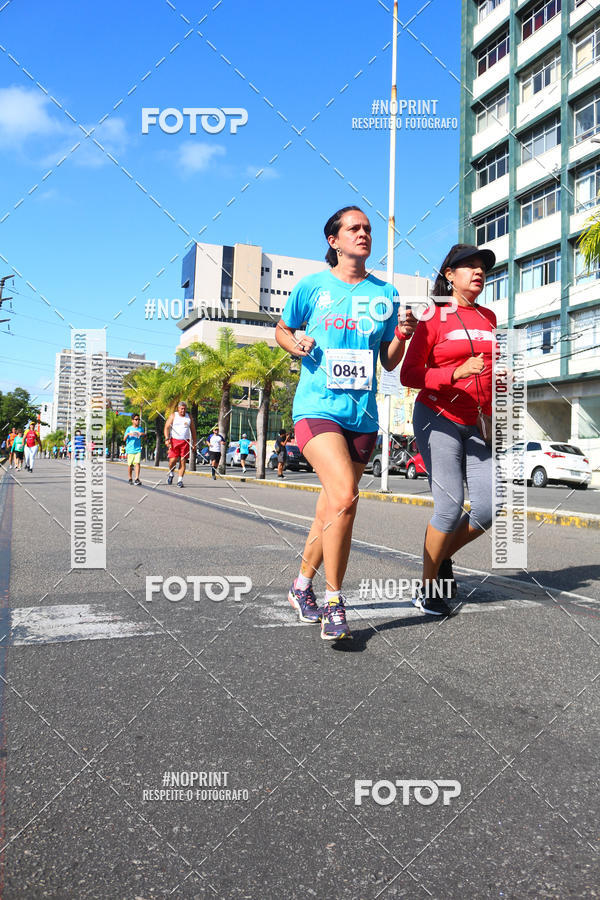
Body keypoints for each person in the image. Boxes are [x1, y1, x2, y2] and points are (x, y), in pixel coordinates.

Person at [276, 205, 416, 640]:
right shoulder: (312, 287)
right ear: (334, 240)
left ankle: (301, 586)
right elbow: (281, 330)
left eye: (368, 229)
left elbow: (388, 361)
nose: (364, 234)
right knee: (345, 496)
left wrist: (401, 335)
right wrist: (296, 343)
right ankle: (335, 602)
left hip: (363, 418)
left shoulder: (385, 293)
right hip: (317, 409)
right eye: (354, 228)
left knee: (333, 507)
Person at [400, 243, 497, 617]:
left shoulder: (489, 317)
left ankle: (440, 554)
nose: (478, 272)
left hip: (478, 421)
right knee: (450, 505)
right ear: (449, 276)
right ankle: (429, 589)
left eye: (482, 268)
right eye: (468, 266)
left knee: (488, 507)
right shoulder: (433, 317)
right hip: (436, 415)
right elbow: (409, 374)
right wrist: (454, 372)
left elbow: (491, 374)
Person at [164, 401, 196, 487]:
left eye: (185, 409)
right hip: (174, 441)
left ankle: (180, 480)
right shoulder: (173, 416)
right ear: (178, 408)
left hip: (185, 442)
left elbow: (193, 431)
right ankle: (171, 473)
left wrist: (194, 443)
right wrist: (167, 439)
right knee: (172, 461)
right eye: (181, 409)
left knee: (183, 461)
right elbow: (166, 427)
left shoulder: (189, 417)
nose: (183, 410)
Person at [123, 413, 146, 485]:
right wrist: (128, 434)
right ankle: (130, 478)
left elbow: (145, 437)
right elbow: (124, 439)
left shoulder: (140, 429)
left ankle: (137, 478)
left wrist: (143, 434)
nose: (138, 421)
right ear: (132, 420)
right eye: (136, 419)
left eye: (139, 419)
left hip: (138, 449)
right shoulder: (129, 429)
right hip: (130, 450)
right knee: (130, 465)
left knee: (137, 463)